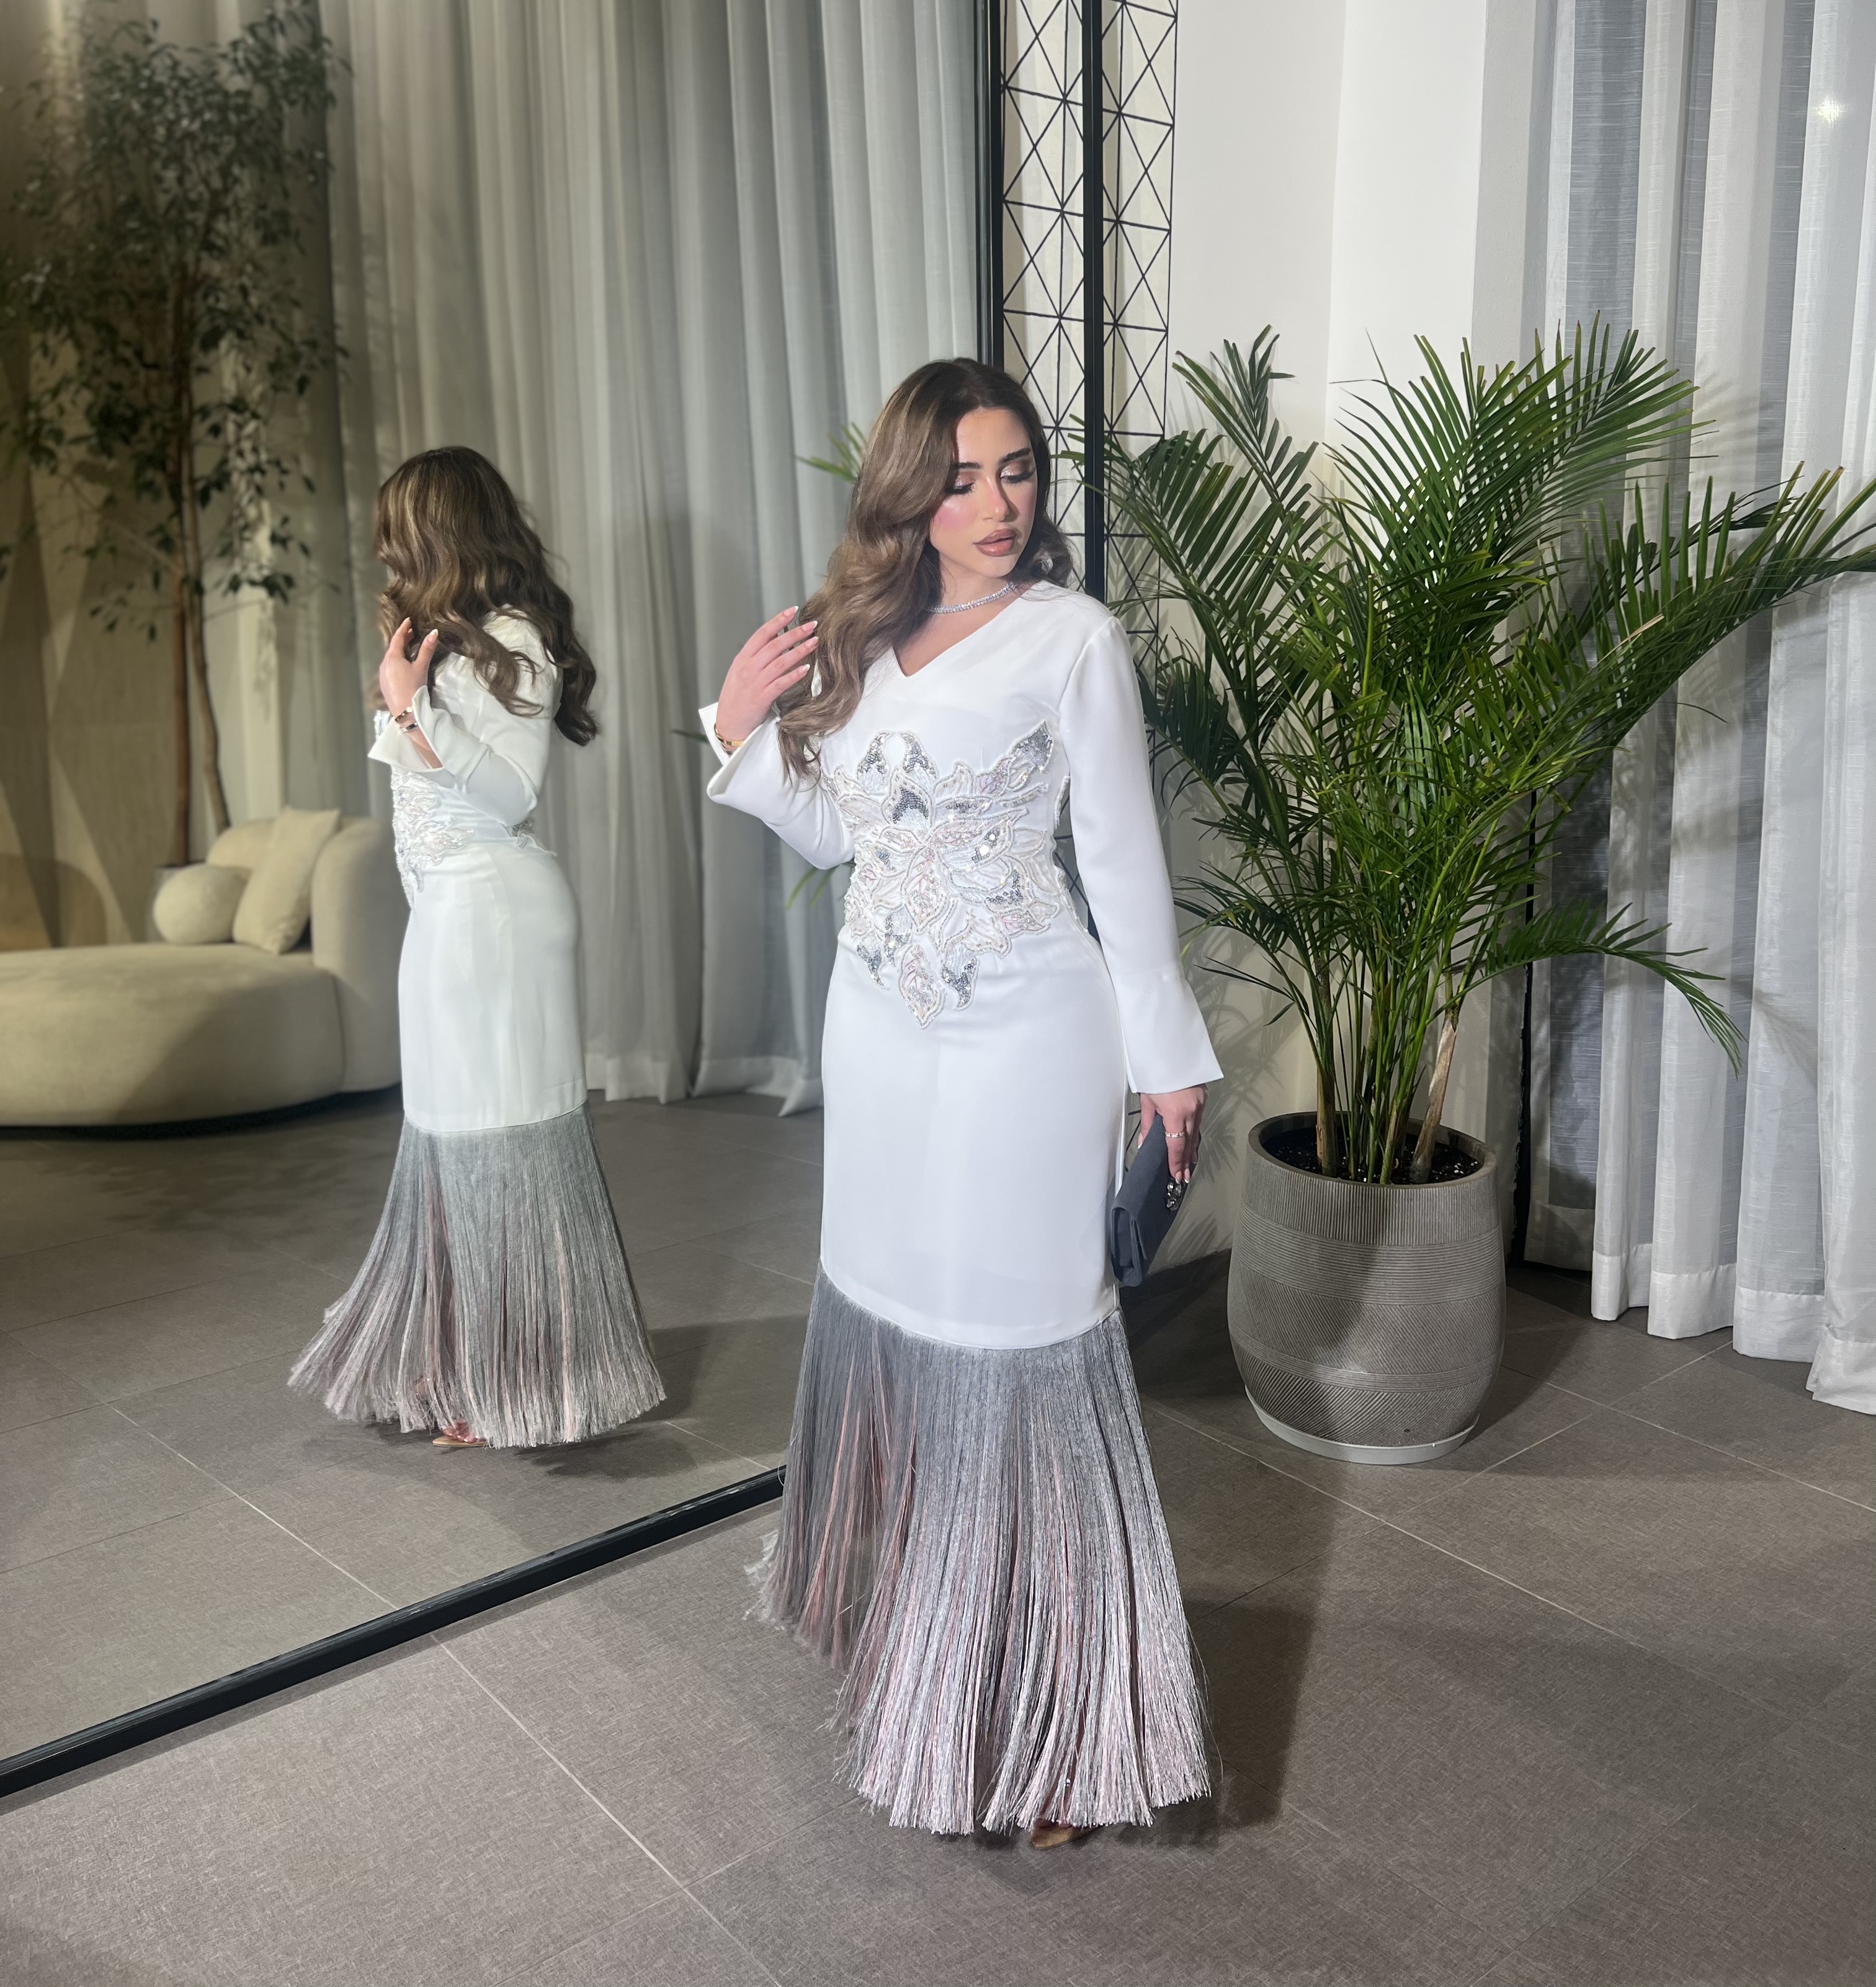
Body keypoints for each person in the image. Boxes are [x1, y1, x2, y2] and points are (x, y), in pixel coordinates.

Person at [704, 359, 1219, 1842]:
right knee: (909, 1327)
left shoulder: (1074, 638)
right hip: (879, 1039)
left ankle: (1055, 1727)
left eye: (1019, 472)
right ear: (909, 494)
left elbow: (1120, 862)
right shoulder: (869, 637)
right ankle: (936, 1645)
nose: (997, 505)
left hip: (1029, 1043)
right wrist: (737, 731)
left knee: (1022, 1351)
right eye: (961, 478)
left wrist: (1168, 1064)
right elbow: (846, 832)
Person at [291, 447, 663, 1449]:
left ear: (442, 533)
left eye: (398, 535)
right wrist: (408, 698)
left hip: (494, 913)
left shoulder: (513, 639)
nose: (385, 554)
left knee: (501, 1145)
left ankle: (518, 1375)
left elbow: (508, 793)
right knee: (453, 1144)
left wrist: (410, 708)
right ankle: (474, 1360)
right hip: (448, 915)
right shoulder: (440, 648)